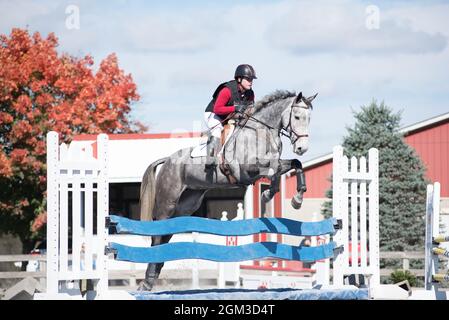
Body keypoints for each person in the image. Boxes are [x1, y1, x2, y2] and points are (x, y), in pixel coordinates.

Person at [203, 64, 257, 170]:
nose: (250, 81)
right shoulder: (227, 90)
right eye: (248, 79)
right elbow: (217, 109)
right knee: (218, 130)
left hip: (231, 116)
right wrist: (235, 108)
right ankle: (210, 159)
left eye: (252, 79)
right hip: (213, 114)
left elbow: (250, 111)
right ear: (239, 79)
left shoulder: (250, 94)